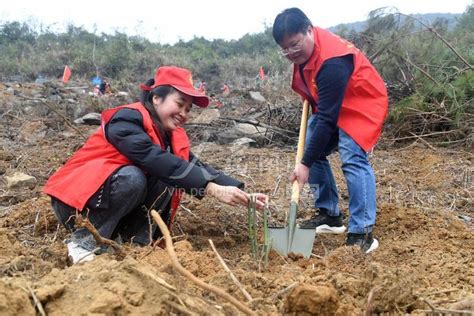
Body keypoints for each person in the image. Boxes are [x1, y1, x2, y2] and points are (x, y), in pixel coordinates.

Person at [43, 66, 268, 263]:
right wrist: (211, 188)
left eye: (188, 109)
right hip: (77, 205)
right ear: (156, 98)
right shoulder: (126, 119)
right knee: (136, 177)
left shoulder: (170, 136)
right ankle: (83, 243)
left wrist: (240, 192)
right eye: (180, 104)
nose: (183, 114)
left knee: (171, 176)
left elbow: (195, 166)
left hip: (104, 202)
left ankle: (134, 244)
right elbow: (153, 158)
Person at [272, 8, 388, 253]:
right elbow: (323, 108)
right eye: (285, 49)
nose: (291, 53)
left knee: (351, 156)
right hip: (337, 103)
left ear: (309, 30)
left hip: (363, 102)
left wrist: (303, 165)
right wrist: (307, 158)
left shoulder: (333, 60)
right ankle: (329, 214)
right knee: (311, 146)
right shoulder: (304, 54)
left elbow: (326, 118)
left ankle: (362, 231)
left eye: (294, 45)